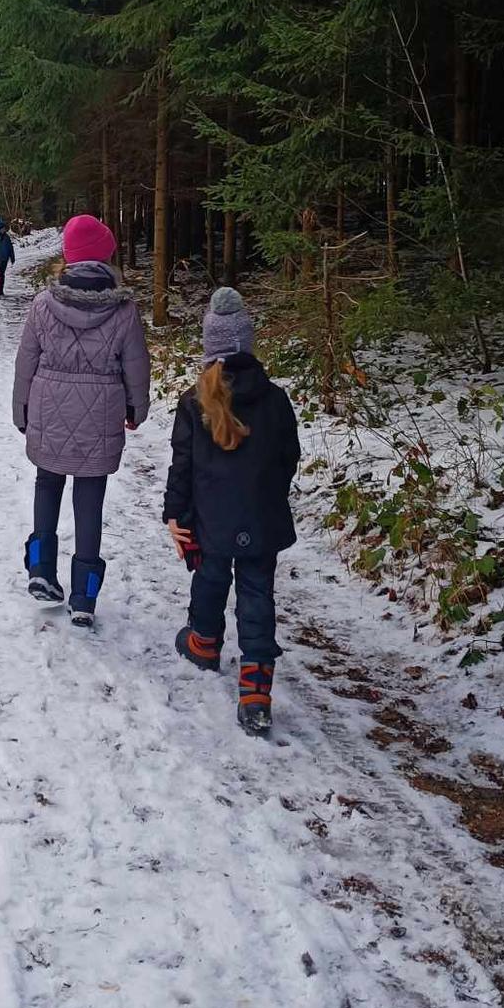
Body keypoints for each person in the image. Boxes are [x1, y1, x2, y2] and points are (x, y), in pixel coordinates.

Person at [162, 287, 300, 738]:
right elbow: (288, 457)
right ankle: (256, 691)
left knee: (210, 577)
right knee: (258, 594)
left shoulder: (194, 401)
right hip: (261, 517)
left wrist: (176, 515)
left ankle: (204, 641)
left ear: (209, 347)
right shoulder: (275, 399)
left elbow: (182, 465)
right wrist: (268, 495)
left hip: (211, 519)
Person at [12, 214, 150, 626]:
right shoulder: (123, 309)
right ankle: (84, 597)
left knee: (47, 483)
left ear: (69, 257)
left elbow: (26, 361)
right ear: (105, 256)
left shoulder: (43, 303)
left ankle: (40, 569)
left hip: (48, 407)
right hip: (101, 412)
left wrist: (21, 409)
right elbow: (136, 365)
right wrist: (136, 407)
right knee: (90, 497)